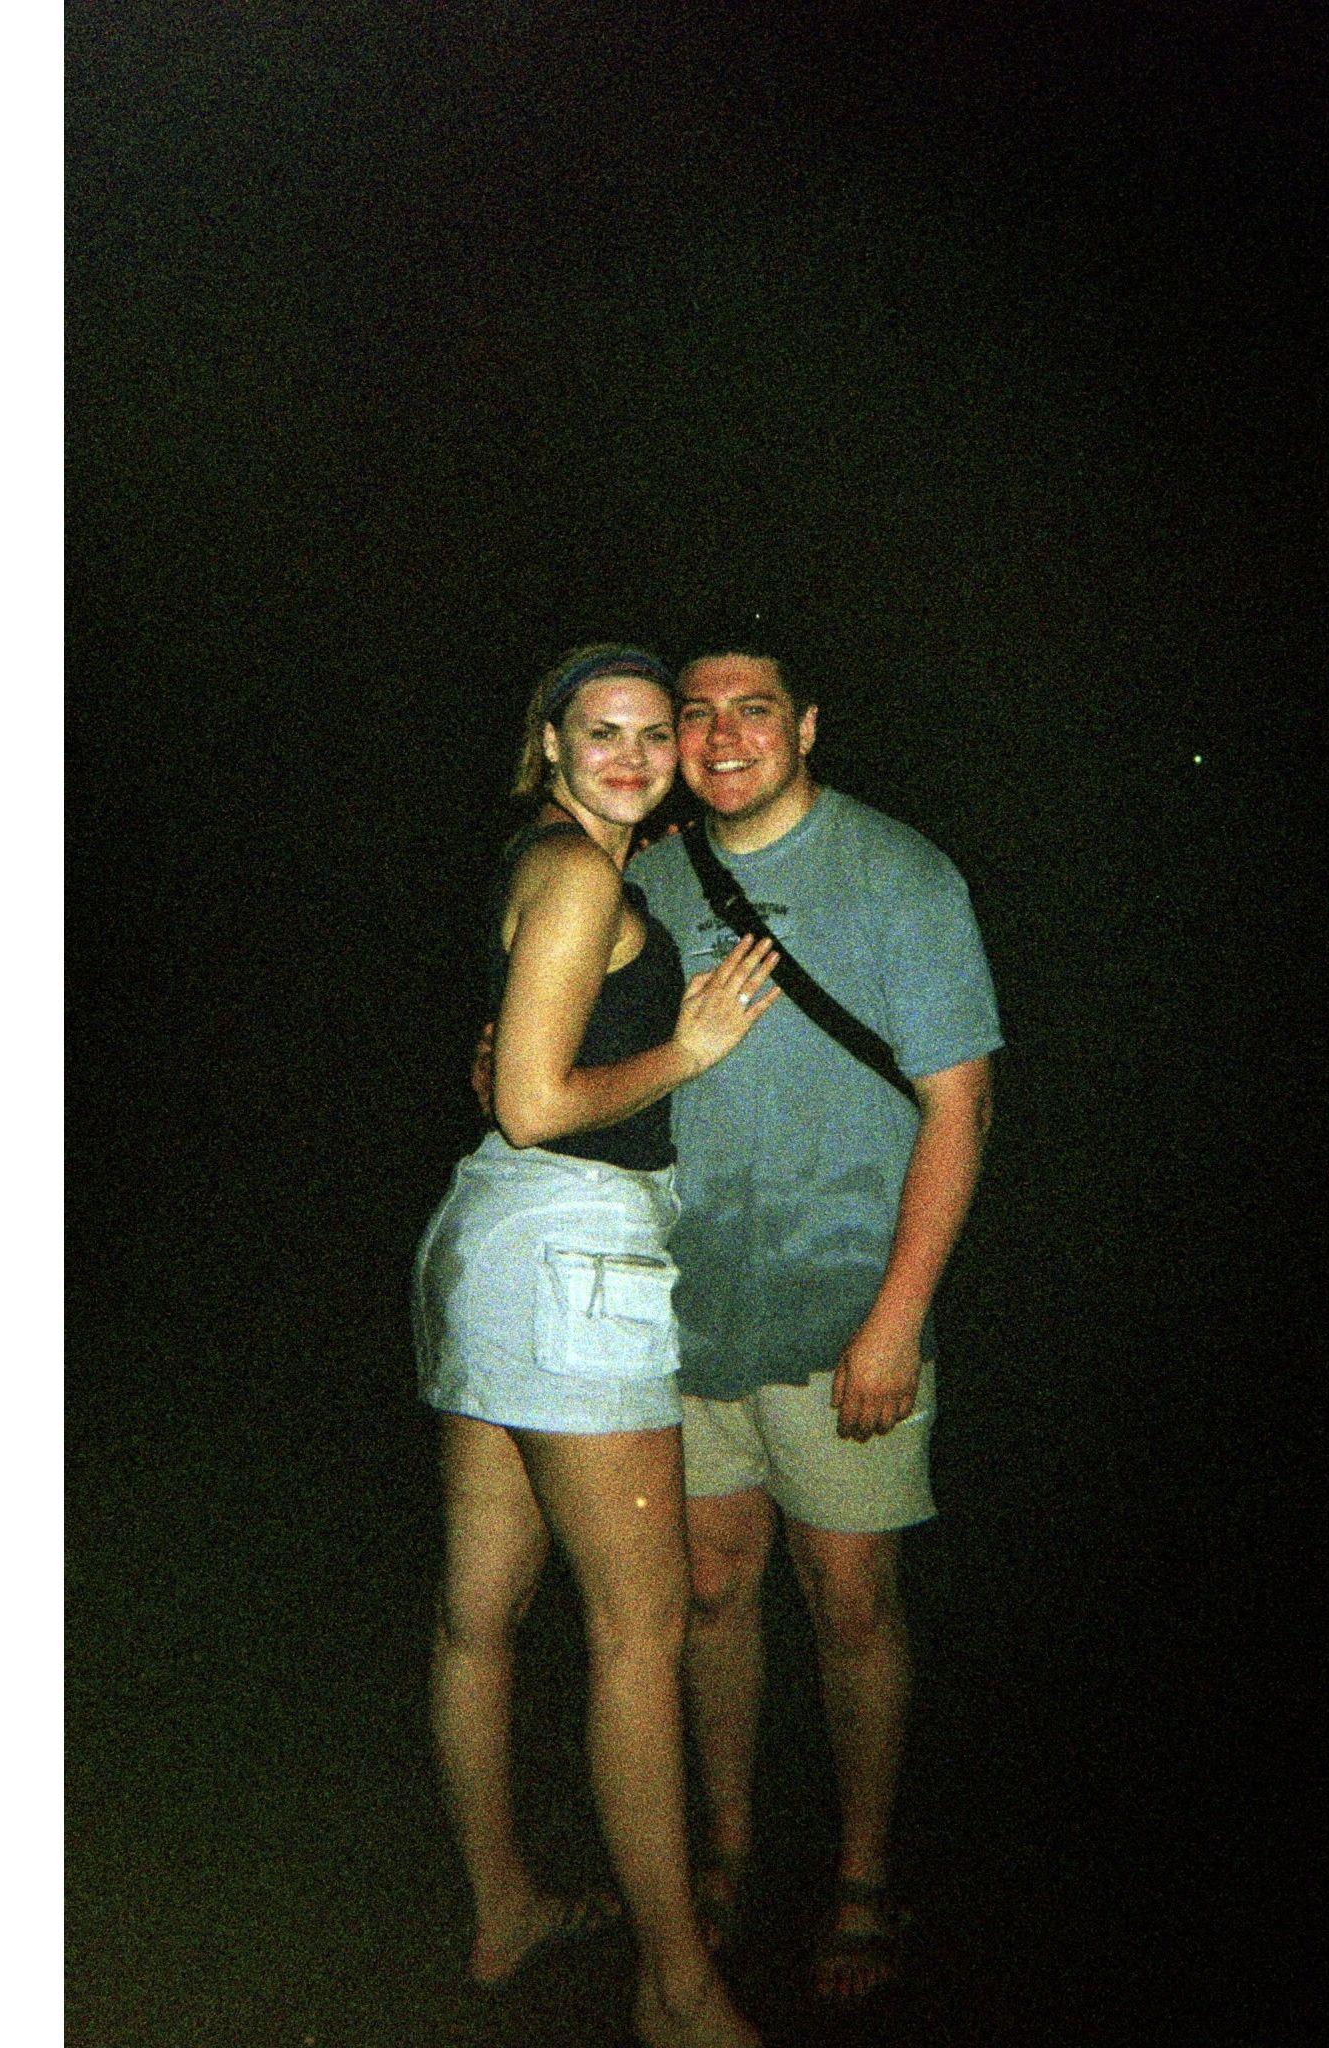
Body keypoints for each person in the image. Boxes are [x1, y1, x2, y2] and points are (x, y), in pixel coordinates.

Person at [626, 636, 1001, 2004]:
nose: (723, 736)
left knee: (850, 1601)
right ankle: (726, 1848)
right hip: (684, 1307)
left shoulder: (902, 875)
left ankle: (860, 1871)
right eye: (697, 714)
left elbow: (960, 1106)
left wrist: (897, 1318)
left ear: (808, 724)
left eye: (754, 709)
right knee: (712, 1587)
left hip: (846, 1301)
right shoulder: (652, 876)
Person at [414, 644, 778, 2048]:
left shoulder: (552, 863)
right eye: (601, 732)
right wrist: (688, 1052)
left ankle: (504, 1908)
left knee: (479, 1614)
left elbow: (505, 1079)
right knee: (641, 1631)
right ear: (551, 745)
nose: (631, 754)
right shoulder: (577, 875)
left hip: (494, 1241)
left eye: (650, 733)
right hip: (574, 1248)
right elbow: (530, 1100)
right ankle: (679, 1990)